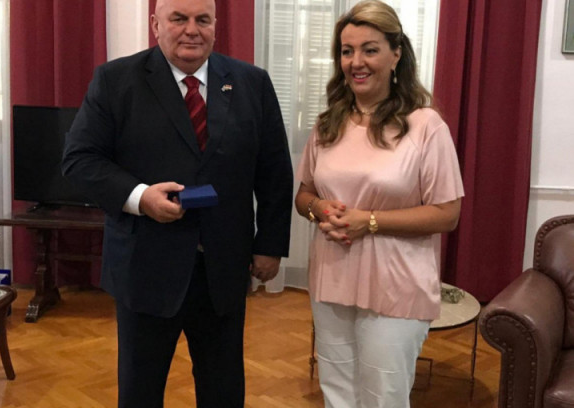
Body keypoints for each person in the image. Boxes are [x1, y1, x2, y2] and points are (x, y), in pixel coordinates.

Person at [62, 0, 293, 406]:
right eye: (179, 18)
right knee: (140, 392)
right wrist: (140, 198)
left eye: (202, 19)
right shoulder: (116, 80)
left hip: (223, 269)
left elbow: (274, 170)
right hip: (146, 267)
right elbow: (79, 160)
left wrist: (270, 245)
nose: (191, 29)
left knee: (223, 391)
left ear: (215, 26)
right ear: (156, 24)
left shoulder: (251, 83)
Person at [294, 1, 464, 407]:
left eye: (370, 49)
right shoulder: (328, 124)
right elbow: (304, 195)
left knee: (383, 398)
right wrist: (320, 209)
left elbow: (447, 213)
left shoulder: (426, 126)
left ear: (396, 54)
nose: (356, 62)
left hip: (397, 285)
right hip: (332, 278)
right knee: (337, 392)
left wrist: (368, 221)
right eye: (347, 51)